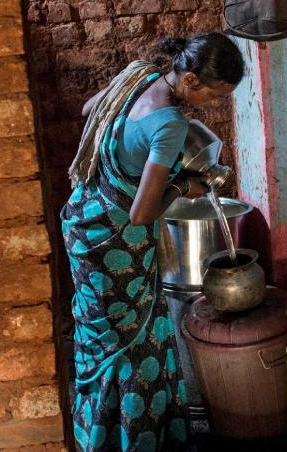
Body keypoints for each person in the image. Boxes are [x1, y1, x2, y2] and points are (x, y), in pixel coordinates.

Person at [61, 32, 245, 451]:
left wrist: (128, 146)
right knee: (133, 344)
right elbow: (142, 214)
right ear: (192, 80)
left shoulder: (137, 75)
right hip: (116, 248)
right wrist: (182, 186)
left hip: (82, 223)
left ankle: (95, 436)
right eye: (214, 96)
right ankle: (131, 441)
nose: (212, 106)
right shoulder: (171, 126)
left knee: (97, 337)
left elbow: (90, 109)